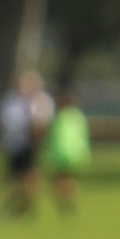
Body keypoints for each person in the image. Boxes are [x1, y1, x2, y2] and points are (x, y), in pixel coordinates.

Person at [0, 63, 51, 214]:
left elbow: (45, 122)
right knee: (13, 177)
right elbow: (6, 121)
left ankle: (27, 204)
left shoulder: (40, 101)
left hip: (32, 145)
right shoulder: (11, 102)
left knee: (31, 175)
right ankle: (16, 203)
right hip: (15, 144)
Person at [42, 82, 91, 211]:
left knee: (58, 179)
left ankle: (66, 200)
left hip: (61, 154)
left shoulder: (59, 117)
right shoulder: (78, 116)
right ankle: (69, 198)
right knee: (69, 178)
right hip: (77, 153)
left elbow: (53, 136)